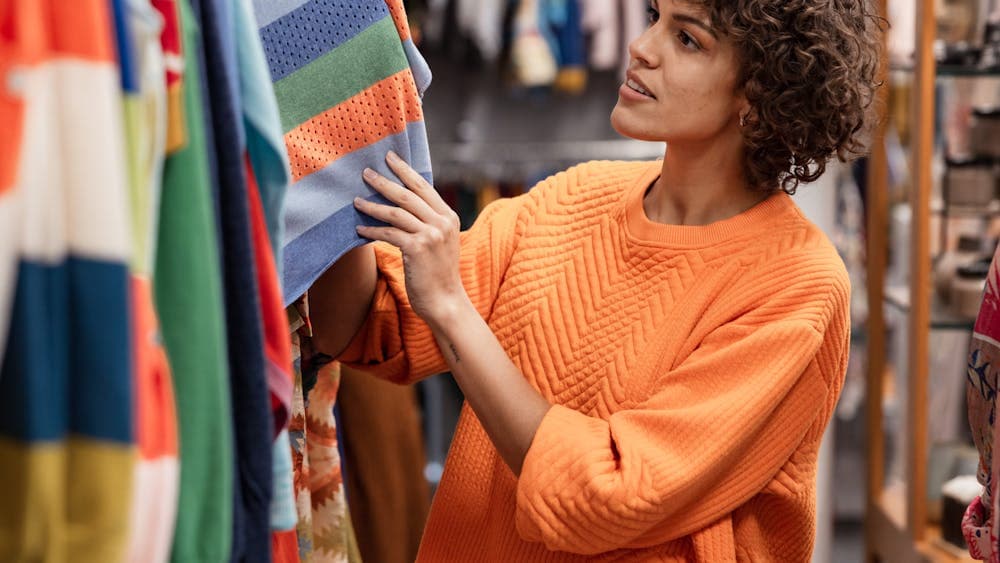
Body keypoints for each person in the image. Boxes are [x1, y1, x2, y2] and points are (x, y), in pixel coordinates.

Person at [309, 0, 881, 560]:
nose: (641, 47)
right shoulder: (573, 197)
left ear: (760, 94)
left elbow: (608, 494)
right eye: (656, 17)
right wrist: (328, 141)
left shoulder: (795, 285)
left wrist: (452, 307)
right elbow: (363, 328)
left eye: (687, 39)